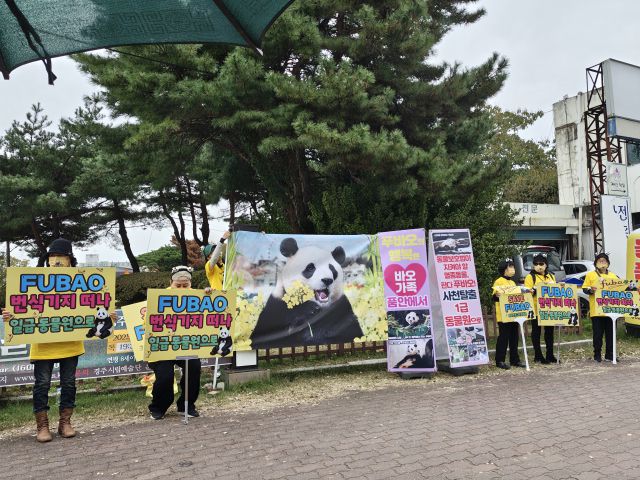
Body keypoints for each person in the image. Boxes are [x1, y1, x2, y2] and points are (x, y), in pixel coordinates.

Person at [2, 238, 116, 443]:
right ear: (47, 260)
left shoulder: (83, 282)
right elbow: (22, 305)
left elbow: (96, 310)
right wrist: (10, 315)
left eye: (61, 257)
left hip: (70, 345)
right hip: (42, 346)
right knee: (42, 384)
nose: (56, 261)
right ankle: (42, 425)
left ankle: (65, 423)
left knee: (69, 384)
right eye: (52, 257)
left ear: (70, 260)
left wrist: (109, 316)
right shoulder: (34, 280)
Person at [147, 265, 202, 420]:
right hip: (163, 346)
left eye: (186, 285)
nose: (182, 289)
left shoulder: (198, 296)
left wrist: (210, 294)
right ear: (170, 283)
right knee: (165, 376)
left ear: (191, 284)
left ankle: (187, 405)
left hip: (186, 344)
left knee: (194, 367)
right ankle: (158, 406)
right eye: (178, 285)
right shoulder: (159, 297)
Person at [581, 253, 624, 362]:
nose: (602, 263)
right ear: (595, 263)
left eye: (604, 261)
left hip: (611, 310)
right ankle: (597, 354)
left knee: (611, 334)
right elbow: (585, 288)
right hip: (597, 310)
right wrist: (591, 290)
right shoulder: (590, 275)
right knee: (597, 334)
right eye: (599, 261)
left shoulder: (614, 276)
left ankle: (610, 354)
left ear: (608, 263)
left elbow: (621, 288)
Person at [492, 258, 527, 370]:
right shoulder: (498, 281)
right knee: (503, 337)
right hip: (503, 315)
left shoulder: (512, 282)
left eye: (513, 267)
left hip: (514, 314)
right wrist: (497, 295)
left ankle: (514, 359)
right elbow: (494, 297)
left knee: (514, 337)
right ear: (504, 269)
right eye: (510, 267)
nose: (512, 269)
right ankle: (500, 360)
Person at [525, 254, 558, 364]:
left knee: (549, 332)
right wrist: (535, 289)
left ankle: (550, 355)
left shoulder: (551, 276)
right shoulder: (530, 277)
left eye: (541, 264)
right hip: (536, 309)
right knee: (536, 332)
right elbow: (527, 293)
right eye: (536, 264)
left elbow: (556, 292)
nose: (538, 266)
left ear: (546, 265)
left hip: (549, 308)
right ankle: (538, 356)